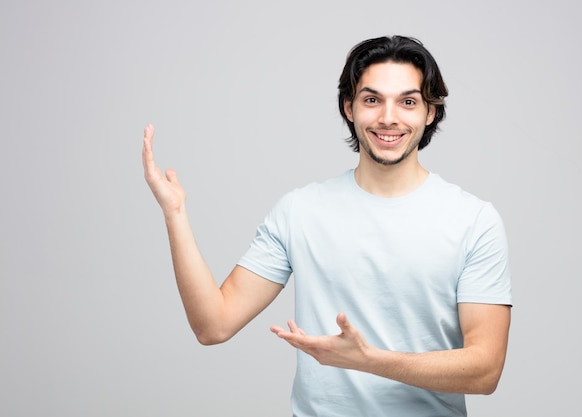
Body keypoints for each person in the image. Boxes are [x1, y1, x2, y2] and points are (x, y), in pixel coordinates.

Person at [142, 35, 512, 417]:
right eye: (372, 100)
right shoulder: (300, 211)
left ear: (430, 113)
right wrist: (175, 213)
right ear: (348, 108)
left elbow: (485, 370)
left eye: (408, 101)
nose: (389, 117)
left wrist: (369, 360)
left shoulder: (473, 220)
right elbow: (212, 325)